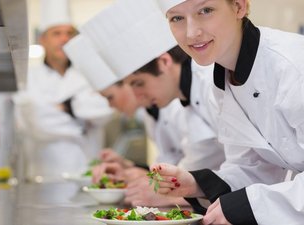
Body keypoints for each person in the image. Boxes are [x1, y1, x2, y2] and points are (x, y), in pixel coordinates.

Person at [151, 0, 304, 224]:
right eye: (177, 18)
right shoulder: (223, 80)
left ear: (239, 6)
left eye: (206, 10)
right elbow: (255, 166)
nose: (191, 33)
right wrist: (197, 183)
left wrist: (249, 205)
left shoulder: (294, 66)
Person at [78, 0, 225, 207]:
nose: (137, 97)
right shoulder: (183, 97)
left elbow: (246, 170)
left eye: (138, 84)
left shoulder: (213, 85)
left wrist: (173, 194)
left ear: (164, 62)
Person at [13, 0, 112, 181]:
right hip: (43, 176)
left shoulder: (90, 74)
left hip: (88, 176)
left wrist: (63, 108)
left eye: (69, 33)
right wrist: (82, 124)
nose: (64, 39)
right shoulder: (28, 78)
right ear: (42, 39)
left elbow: (104, 111)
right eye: (56, 33)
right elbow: (36, 122)